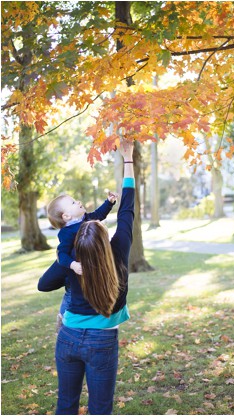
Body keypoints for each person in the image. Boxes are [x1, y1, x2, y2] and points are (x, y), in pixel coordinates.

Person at [38, 139, 135, 415]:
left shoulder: (69, 255)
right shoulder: (118, 251)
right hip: (102, 342)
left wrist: (66, 265)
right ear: (105, 238)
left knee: (66, 405)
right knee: (100, 409)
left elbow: (43, 285)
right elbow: (127, 211)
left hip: (67, 338)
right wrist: (128, 160)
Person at [46, 190, 119, 331]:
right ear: (66, 216)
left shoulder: (85, 219)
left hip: (90, 265)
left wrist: (109, 202)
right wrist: (72, 265)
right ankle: (62, 316)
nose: (78, 202)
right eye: (73, 202)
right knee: (71, 294)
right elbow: (61, 254)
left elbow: (99, 214)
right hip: (76, 268)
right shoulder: (66, 233)